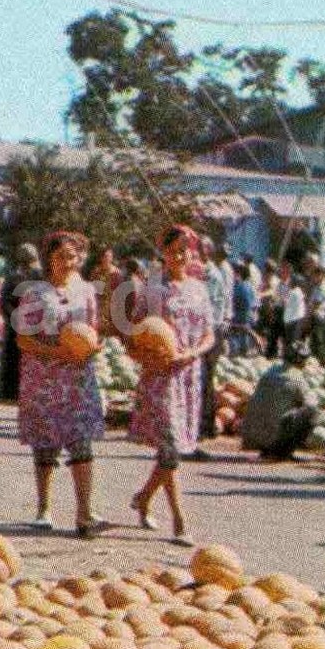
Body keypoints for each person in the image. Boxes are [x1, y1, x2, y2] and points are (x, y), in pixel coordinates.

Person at [126, 224, 215, 544]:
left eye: (186, 249)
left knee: (172, 450)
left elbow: (209, 334)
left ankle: (144, 498)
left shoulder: (199, 289)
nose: (181, 255)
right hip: (160, 377)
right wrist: (146, 359)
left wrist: (191, 353)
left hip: (188, 377)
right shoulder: (151, 290)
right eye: (175, 249)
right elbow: (133, 336)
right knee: (170, 450)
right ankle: (179, 521)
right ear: (162, 252)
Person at [15, 231, 106, 535]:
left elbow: (94, 331)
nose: (67, 263)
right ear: (49, 260)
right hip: (44, 379)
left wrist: (91, 347)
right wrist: (58, 352)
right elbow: (23, 339)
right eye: (60, 257)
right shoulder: (36, 293)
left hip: (78, 378)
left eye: (72, 257)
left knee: (81, 442)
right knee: (46, 445)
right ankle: (44, 507)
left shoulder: (87, 292)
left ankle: (85, 511)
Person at [237, 347, 318, 461]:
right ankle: (282, 452)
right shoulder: (297, 378)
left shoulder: (270, 371)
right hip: (274, 439)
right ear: (302, 361)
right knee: (312, 413)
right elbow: (311, 405)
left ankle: (266, 449)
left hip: (251, 437)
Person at [0, 244, 42, 403]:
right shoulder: (27, 277)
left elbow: (4, 303)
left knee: (15, 359)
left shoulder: (16, 277)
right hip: (25, 325)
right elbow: (5, 303)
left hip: (23, 325)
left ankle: (12, 393)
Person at [199, 237, 231, 439]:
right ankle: (205, 425)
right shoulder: (207, 272)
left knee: (205, 379)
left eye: (200, 249)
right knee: (203, 379)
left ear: (208, 251)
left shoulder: (211, 275)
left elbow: (206, 307)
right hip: (208, 330)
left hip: (211, 331)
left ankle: (205, 426)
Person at [228, 261, 257, 357]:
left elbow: (235, 300)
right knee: (244, 336)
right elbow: (254, 303)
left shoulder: (239, 285)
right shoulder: (249, 285)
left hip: (240, 314)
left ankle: (237, 353)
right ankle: (244, 353)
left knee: (237, 335)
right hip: (247, 314)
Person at [280, 260, 307, 362]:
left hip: (292, 320)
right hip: (297, 319)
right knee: (294, 340)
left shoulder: (293, 292)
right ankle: (293, 358)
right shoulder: (300, 292)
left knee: (290, 340)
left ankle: (290, 358)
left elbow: (285, 302)